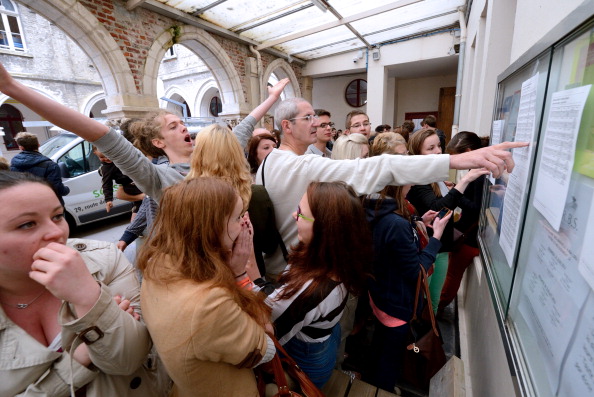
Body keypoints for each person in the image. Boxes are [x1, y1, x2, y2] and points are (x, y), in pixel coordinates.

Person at [254, 96, 524, 279]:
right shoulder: (296, 165)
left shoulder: (274, 161)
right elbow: (374, 169)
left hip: (288, 266)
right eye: (308, 117)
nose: (316, 122)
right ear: (287, 126)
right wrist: (455, 160)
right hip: (298, 272)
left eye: (316, 116)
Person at [0, 171, 163, 396]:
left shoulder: (103, 259)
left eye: (57, 216)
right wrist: (78, 361)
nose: (56, 232)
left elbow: (129, 359)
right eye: (27, 224)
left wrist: (88, 295)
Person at [138, 177, 274, 397]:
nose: (244, 224)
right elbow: (266, 349)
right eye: (238, 217)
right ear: (211, 228)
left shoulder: (157, 264)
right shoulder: (209, 304)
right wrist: (240, 274)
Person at [265, 181, 372, 388]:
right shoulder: (339, 260)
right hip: (325, 347)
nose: (294, 216)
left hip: (304, 368)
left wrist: (244, 275)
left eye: (301, 214)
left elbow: (265, 335)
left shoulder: (313, 288)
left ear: (326, 228)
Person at [362, 181, 451, 392]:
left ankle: (369, 381)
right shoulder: (397, 222)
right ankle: (382, 388)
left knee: (379, 347)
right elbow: (417, 270)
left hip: (381, 293)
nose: (412, 184)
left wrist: (419, 221)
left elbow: (393, 246)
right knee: (390, 359)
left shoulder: (376, 209)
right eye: (408, 179)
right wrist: (436, 236)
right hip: (397, 302)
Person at [406, 129, 489, 313]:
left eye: (439, 146)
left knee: (433, 303)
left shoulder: (437, 175)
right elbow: (437, 207)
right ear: (418, 153)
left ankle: (430, 336)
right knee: (418, 303)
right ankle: (417, 340)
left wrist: (449, 189)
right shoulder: (419, 179)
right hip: (427, 248)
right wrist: (464, 181)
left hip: (441, 248)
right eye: (431, 148)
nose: (438, 151)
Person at [438, 131, 489, 314]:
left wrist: (456, 196)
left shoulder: (480, 174)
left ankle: (436, 309)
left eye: (456, 157)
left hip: (470, 237)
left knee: (452, 276)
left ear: (467, 151)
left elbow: (476, 208)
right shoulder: (476, 169)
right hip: (468, 232)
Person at [10, 131, 70, 205]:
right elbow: (56, 189)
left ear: (21, 148)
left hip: (26, 205)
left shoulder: (14, 164)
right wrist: (66, 190)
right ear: (38, 145)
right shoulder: (50, 165)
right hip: (48, 205)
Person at [93, 146, 144, 214]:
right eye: (102, 157)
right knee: (141, 203)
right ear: (95, 154)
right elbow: (107, 184)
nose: (107, 158)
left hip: (139, 180)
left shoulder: (121, 157)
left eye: (108, 155)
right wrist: (108, 200)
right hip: (129, 186)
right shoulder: (106, 169)